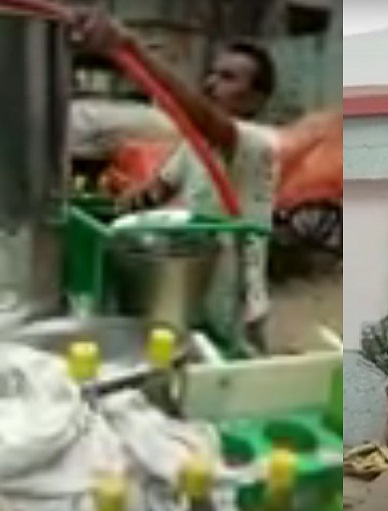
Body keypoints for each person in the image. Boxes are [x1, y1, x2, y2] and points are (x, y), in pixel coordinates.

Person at [71, 7, 279, 353]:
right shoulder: (194, 147)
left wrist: (131, 48)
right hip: (195, 290)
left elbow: (199, 115)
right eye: (212, 74)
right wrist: (112, 206)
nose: (212, 83)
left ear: (257, 98)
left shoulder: (258, 143)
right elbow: (153, 194)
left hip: (237, 307)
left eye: (228, 78)